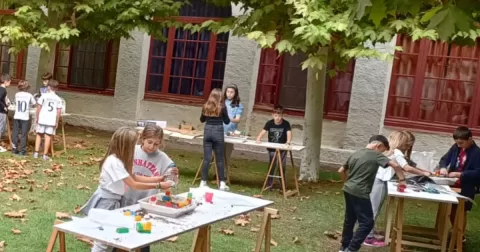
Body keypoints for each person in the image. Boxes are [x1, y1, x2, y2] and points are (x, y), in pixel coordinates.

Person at [80, 127, 174, 252]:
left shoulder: (120, 160)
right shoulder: (114, 162)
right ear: (125, 146)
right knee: (102, 241)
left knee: (110, 239)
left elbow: (134, 176)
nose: (135, 147)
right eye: (133, 144)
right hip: (107, 202)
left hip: (114, 201)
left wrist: (158, 179)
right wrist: (159, 186)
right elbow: (133, 184)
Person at [111, 125, 179, 252]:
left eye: (156, 144)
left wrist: (173, 177)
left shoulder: (163, 158)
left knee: (144, 236)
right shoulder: (132, 150)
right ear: (142, 139)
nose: (152, 146)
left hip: (147, 204)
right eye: (149, 142)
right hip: (126, 199)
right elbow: (132, 177)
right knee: (120, 234)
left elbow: (172, 178)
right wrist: (159, 182)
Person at [338, 135, 406, 252]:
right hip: (361, 192)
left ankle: (344, 246)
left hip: (348, 189)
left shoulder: (356, 153)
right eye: (382, 150)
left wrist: (347, 182)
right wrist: (402, 180)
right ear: (378, 146)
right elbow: (395, 165)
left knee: (350, 219)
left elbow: (341, 170)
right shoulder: (376, 155)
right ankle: (351, 249)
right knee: (367, 223)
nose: (382, 153)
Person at [364, 131, 431, 247]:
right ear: (402, 143)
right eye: (407, 145)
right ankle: (367, 237)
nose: (408, 147)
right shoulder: (397, 152)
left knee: (372, 208)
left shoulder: (389, 151)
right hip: (380, 181)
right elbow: (407, 167)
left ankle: (368, 232)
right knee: (373, 210)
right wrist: (424, 173)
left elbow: (405, 165)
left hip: (377, 179)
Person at [438, 126, 480, 230]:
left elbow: (478, 172)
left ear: (470, 139)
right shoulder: (456, 147)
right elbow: (444, 159)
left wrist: (459, 174)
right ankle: (452, 234)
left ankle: (460, 237)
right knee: (451, 209)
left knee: (461, 211)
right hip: (452, 183)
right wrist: (443, 167)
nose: (458, 145)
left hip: (466, 185)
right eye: (457, 142)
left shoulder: (477, 153)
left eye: (461, 143)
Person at [199, 88, 230, 190]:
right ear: (220, 97)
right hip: (218, 132)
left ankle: (203, 182)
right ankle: (222, 183)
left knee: (207, 158)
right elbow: (227, 121)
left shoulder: (206, 106)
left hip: (207, 131)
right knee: (219, 159)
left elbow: (202, 120)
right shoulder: (222, 107)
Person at [256, 106, 292, 188]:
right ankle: (269, 183)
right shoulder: (269, 123)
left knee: (282, 165)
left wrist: (288, 142)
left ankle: (282, 183)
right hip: (272, 148)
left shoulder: (286, 123)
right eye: (276, 116)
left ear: (282, 116)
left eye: (279, 116)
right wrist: (258, 138)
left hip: (282, 148)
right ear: (273, 115)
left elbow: (289, 133)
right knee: (272, 165)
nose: (278, 118)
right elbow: (263, 132)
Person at [33, 80, 63, 160]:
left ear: (48, 87)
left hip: (42, 118)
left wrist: (37, 117)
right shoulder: (58, 99)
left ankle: (36, 152)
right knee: (48, 136)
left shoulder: (43, 96)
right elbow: (58, 111)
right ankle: (45, 154)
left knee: (39, 135)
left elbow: (38, 107)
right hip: (51, 120)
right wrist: (57, 121)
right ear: (56, 89)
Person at [11, 80, 36, 155]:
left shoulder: (17, 94)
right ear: (27, 87)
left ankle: (14, 148)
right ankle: (22, 150)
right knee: (23, 134)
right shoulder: (29, 95)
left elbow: (15, 102)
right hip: (25, 117)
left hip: (17, 116)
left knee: (15, 133)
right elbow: (34, 103)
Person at [0, 73, 11, 153]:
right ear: (6, 81)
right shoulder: (3, 90)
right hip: (1, 112)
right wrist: (4, 106)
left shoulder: (2, 89)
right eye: (10, 82)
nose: (10, 83)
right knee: (1, 128)